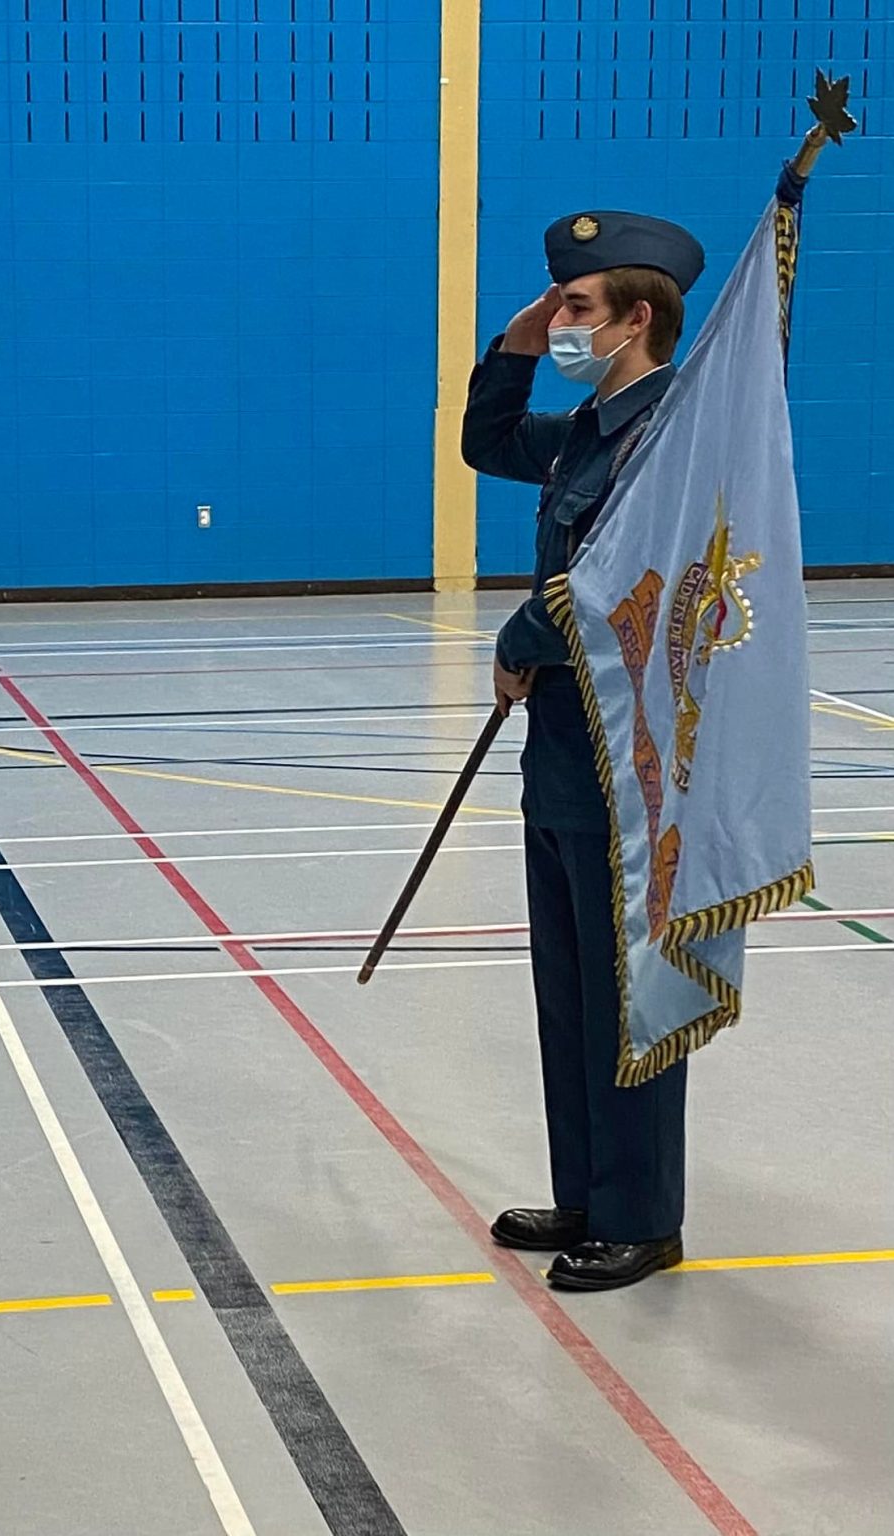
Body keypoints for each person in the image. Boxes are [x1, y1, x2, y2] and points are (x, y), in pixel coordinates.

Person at [461, 213, 706, 1291]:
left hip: (632, 763)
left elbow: (607, 583)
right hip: (563, 753)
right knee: (567, 988)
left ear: (635, 318)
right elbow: (486, 443)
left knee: (627, 991)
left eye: (575, 307)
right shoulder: (589, 432)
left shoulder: (670, 440)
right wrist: (517, 343)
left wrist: (519, 642)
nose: (561, 321)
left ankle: (642, 1216)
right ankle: (588, 1194)